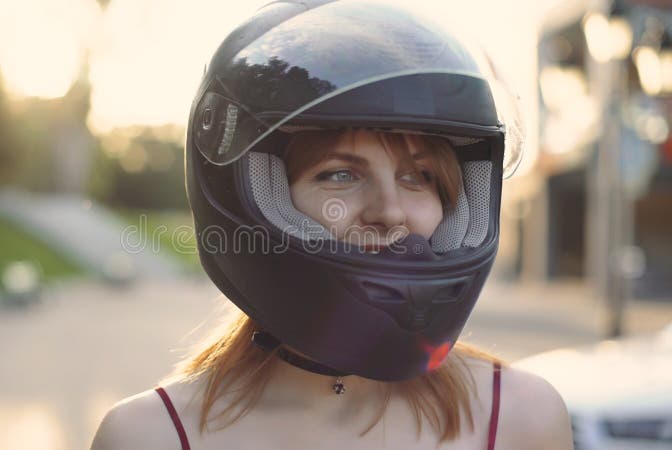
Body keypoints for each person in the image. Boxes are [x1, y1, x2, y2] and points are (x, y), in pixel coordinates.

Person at [91, 1, 574, 449]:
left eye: (419, 176)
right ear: (256, 193)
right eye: (339, 175)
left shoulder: (523, 420)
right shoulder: (148, 437)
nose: (389, 210)